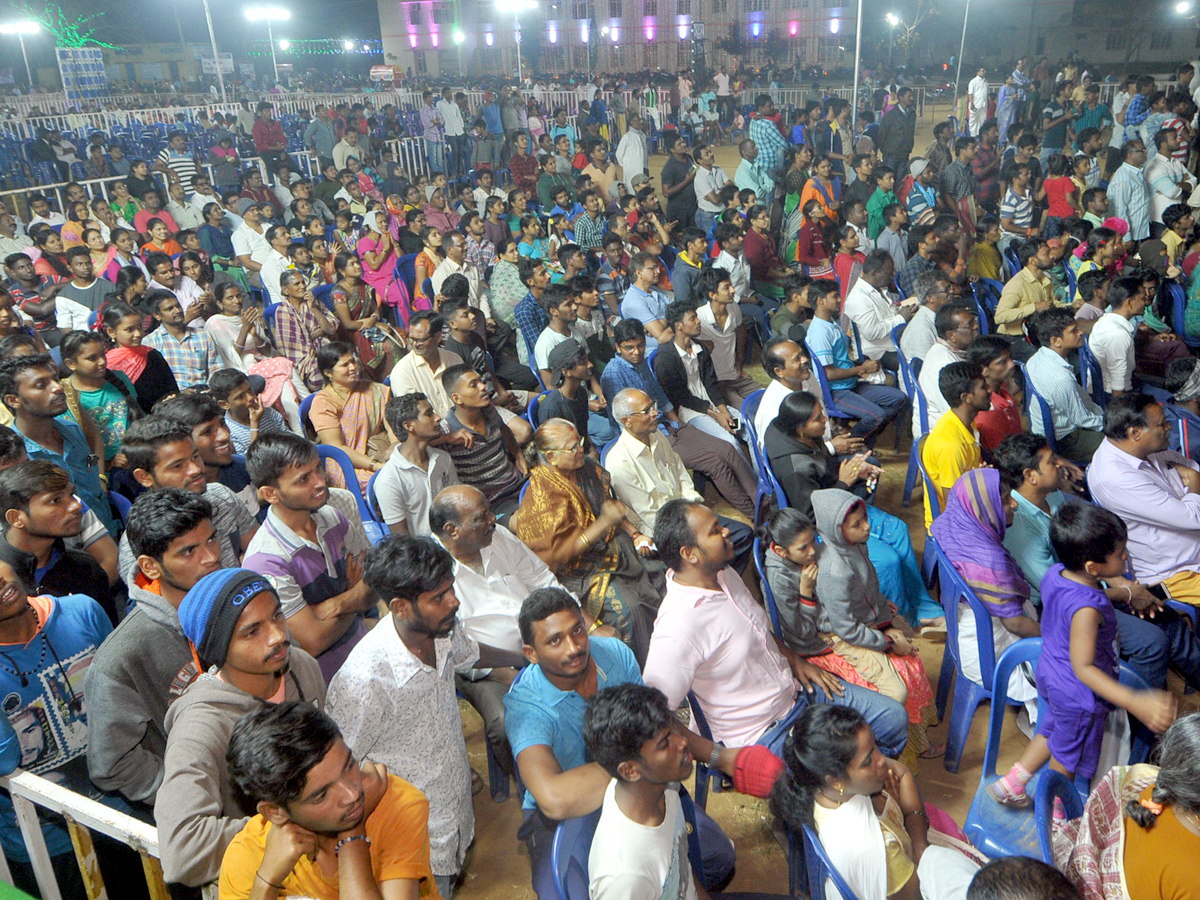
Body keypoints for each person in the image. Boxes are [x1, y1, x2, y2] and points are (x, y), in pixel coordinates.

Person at [504, 586, 740, 899]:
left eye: (577, 630)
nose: (574, 648)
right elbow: (555, 799)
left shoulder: (614, 654)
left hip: (634, 784)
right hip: (566, 813)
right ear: (531, 653)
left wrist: (718, 757)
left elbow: (652, 722)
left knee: (717, 859)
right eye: (555, 640)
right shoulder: (526, 706)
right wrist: (640, 761)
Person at [326, 535, 526, 898]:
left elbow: (470, 653)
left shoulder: (440, 626)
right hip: (414, 845)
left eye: (450, 589)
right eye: (439, 597)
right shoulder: (365, 682)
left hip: (454, 813)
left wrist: (526, 656)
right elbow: (340, 772)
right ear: (400, 607)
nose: (454, 602)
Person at [643, 498, 909, 761]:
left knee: (893, 720)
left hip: (796, 693)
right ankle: (852, 786)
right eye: (715, 530)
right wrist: (720, 758)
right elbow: (653, 717)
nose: (727, 530)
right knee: (841, 770)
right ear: (689, 554)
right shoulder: (677, 627)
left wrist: (795, 660)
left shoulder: (723, 575)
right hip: (762, 734)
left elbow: (755, 630)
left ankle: (860, 783)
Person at [991, 503, 1176, 811]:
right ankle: (1056, 813)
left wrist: (1122, 593)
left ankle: (1012, 782)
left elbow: (1084, 596)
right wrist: (1135, 701)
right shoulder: (1087, 611)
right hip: (1074, 690)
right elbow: (1084, 668)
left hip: (1050, 671)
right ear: (1093, 567)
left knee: (1051, 730)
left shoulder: (1057, 574)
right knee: (1066, 758)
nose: (1125, 556)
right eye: (1120, 553)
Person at [155, 569, 326, 889]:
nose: (277, 635)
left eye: (277, 616)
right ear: (218, 648)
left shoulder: (302, 667)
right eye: (252, 632)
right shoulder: (201, 727)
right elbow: (182, 850)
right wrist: (287, 826)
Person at [584, 682, 788, 900]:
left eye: (673, 728)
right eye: (664, 744)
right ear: (630, 770)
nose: (682, 742)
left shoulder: (663, 786)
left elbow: (682, 868)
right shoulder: (625, 877)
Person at [216, 701, 438, 899]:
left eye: (349, 766)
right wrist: (266, 881)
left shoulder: (397, 805)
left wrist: (352, 833)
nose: (352, 794)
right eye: (322, 795)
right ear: (275, 811)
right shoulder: (246, 857)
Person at [84, 490, 222, 806]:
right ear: (150, 566)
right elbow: (112, 764)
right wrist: (191, 796)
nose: (211, 556)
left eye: (211, 540)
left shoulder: (243, 604)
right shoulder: (123, 656)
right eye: (188, 551)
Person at [0, 557, 125, 900]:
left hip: (123, 814)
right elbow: (5, 761)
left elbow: (129, 698)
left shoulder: (81, 611)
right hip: (45, 842)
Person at [765, 390, 941, 626]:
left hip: (834, 501)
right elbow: (811, 516)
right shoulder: (794, 469)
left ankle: (925, 608)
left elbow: (821, 467)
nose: (825, 420)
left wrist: (856, 469)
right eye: (818, 419)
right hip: (821, 523)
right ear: (800, 428)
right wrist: (844, 482)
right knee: (887, 560)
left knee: (897, 528)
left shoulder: (793, 431)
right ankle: (900, 617)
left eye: (822, 414)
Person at [769, 705, 981, 900]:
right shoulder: (878, 851)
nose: (881, 759)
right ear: (836, 780)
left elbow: (902, 772)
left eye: (875, 745)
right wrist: (921, 846)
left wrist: (917, 841)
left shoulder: (818, 787)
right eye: (868, 760)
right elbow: (916, 895)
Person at [514, 418, 665, 661]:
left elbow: (609, 506)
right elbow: (559, 556)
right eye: (572, 448)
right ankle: (642, 672)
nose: (580, 450)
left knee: (662, 575)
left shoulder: (586, 468)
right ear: (551, 457)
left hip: (614, 547)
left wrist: (634, 534)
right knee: (630, 610)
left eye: (580, 443)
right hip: (580, 571)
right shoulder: (541, 497)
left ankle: (672, 653)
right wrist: (604, 523)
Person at [810, 488, 939, 757]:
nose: (868, 527)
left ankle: (914, 740)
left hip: (863, 621)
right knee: (896, 693)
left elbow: (873, 590)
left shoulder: (857, 545)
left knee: (906, 635)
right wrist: (888, 642)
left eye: (865, 518)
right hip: (839, 635)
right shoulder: (834, 571)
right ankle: (878, 753)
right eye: (857, 524)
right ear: (836, 530)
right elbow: (845, 629)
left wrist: (886, 622)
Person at [243, 432, 374, 681]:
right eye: (304, 479)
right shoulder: (266, 561)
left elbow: (375, 582)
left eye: (318, 469)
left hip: (364, 654)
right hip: (326, 683)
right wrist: (354, 594)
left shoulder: (332, 517)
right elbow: (314, 641)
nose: (320, 482)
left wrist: (336, 605)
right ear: (271, 494)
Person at [600, 318, 758, 518]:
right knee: (715, 463)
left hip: (667, 425)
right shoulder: (613, 373)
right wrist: (659, 437)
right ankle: (754, 513)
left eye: (640, 345)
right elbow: (624, 422)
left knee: (727, 448)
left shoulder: (640, 364)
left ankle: (760, 499)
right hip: (650, 437)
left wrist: (678, 423)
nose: (637, 352)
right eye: (629, 348)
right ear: (617, 347)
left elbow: (660, 395)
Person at [606, 386, 752, 572]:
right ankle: (710, 580)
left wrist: (695, 508)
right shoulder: (619, 463)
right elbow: (651, 516)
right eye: (646, 411)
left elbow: (682, 476)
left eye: (653, 406)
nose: (655, 413)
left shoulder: (656, 435)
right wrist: (692, 527)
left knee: (742, 534)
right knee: (717, 548)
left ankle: (717, 578)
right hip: (667, 531)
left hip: (688, 512)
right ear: (626, 421)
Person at [0, 354, 118, 539]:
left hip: (107, 530)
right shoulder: (14, 457)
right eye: (41, 385)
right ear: (14, 400)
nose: (57, 388)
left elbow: (91, 472)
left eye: (55, 379)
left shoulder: (71, 429)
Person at [0, 461, 115, 621]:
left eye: (71, 495)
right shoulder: (3, 578)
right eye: (55, 500)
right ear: (16, 518)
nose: (76, 506)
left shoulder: (85, 568)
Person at [805, 279, 910, 443]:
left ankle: (861, 437)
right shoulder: (820, 333)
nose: (840, 300)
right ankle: (851, 445)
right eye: (834, 297)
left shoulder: (830, 323)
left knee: (899, 398)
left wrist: (859, 367)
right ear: (821, 301)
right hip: (835, 392)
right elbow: (828, 374)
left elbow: (838, 361)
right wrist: (862, 369)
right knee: (877, 416)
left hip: (850, 383)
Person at [440, 364, 527, 521]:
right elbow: (411, 446)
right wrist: (445, 438)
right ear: (456, 398)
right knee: (529, 522)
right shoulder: (448, 429)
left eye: (480, 381)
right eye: (473, 385)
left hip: (517, 483)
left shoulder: (489, 410)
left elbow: (505, 430)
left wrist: (518, 454)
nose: (483, 387)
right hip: (493, 502)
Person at [652, 302, 742, 449]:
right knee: (730, 443)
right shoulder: (665, 359)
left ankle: (760, 470)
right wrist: (716, 415)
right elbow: (681, 398)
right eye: (692, 318)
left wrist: (724, 411)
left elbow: (711, 383)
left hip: (712, 405)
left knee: (748, 428)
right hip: (690, 412)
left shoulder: (700, 350)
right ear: (679, 326)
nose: (698, 321)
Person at [308, 342, 393, 492]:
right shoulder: (323, 403)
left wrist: (395, 444)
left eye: (353, 361)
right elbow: (337, 449)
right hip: (346, 464)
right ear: (328, 373)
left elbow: (391, 423)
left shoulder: (371, 389)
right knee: (389, 481)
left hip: (378, 451)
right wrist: (376, 466)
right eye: (345, 365)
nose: (353, 367)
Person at [1025, 309, 1106, 462]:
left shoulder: (1036, 357)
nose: (1080, 332)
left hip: (1046, 426)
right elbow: (1082, 419)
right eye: (1073, 331)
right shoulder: (1061, 378)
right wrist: (1108, 423)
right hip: (1066, 439)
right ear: (1056, 341)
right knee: (1119, 444)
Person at [372, 393, 458, 537]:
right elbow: (402, 539)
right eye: (429, 414)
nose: (438, 418)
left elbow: (456, 506)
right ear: (409, 426)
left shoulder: (442, 459)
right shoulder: (389, 479)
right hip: (424, 555)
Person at [922, 362, 990, 527]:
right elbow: (953, 505)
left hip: (967, 502)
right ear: (966, 397)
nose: (990, 391)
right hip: (952, 524)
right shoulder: (951, 445)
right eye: (983, 388)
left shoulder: (964, 422)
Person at [694, 266, 762, 409]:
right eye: (727, 287)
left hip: (735, 375)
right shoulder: (699, 318)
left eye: (731, 285)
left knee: (767, 397)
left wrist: (739, 360)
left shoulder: (733, 308)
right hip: (716, 382)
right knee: (747, 410)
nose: (733, 290)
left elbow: (741, 330)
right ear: (713, 295)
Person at [844, 251, 912, 370]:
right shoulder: (859, 298)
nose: (892, 276)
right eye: (889, 273)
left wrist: (904, 309)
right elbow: (872, 333)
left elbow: (888, 314)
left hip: (892, 343)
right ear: (875, 273)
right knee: (914, 361)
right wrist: (900, 318)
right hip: (877, 353)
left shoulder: (878, 289)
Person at [1089, 276, 1146, 398]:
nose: (1145, 302)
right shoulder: (1117, 333)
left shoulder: (1105, 321)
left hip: (1106, 387)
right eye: (1142, 298)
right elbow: (1118, 386)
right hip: (1113, 394)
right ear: (1129, 302)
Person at [898, 271, 952, 361]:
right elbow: (926, 367)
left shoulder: (938, 315)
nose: (952, 291)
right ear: (930, 298)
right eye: (946, 290)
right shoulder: (921, 330)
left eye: (950, 287)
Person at [1106, 140, 1151, 241]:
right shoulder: (1124, 178)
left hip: (1141, 232)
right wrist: (1126, 237)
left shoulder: (1136, 172)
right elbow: (1120, 210)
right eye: (1142, 150)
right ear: (1130, 154)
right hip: (1131, 236)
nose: (1146, 152)